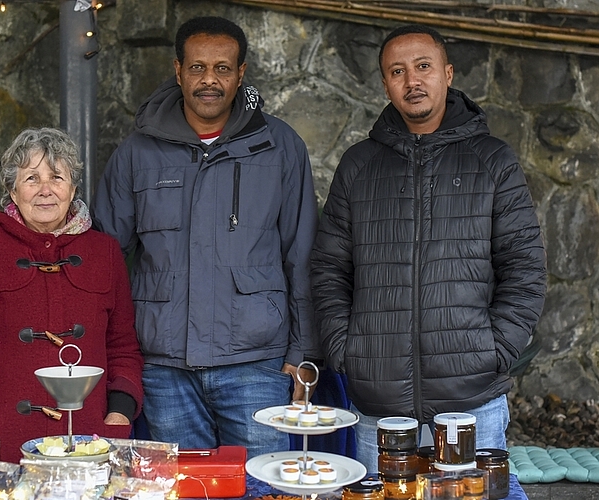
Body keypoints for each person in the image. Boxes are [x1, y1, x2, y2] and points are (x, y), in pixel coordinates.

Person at [310, 24, 547, 473]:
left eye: (423, 67)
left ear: (448, 73)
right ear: (385, 83)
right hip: (379, 403)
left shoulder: (493, 161)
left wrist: (494, 350)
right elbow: (329, 268)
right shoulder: (359, 165)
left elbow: (525, 268)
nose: (411, 81)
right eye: (397, 71)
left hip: (471, 403)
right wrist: (345, 350)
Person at [91, 16, 321, 458]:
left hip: (257, 363)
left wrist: (303, 350)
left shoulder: (279, 146)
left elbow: (303, 252)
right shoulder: (138, 151)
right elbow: (107, 257)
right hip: (163, 367)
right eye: (197, 68)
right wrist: (113, 354)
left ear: (241, 74)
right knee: (182, 486)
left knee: (262, 486)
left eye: (222, 68)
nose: (209, 80)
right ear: (178, 71)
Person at [0, 128, 144, 463]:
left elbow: (124, 346)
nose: (45, 190)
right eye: (31, 178)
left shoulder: (105, 253)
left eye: (57, 177)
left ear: (73, 188)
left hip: (89, 447)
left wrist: (119, 417)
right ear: (12, 189)